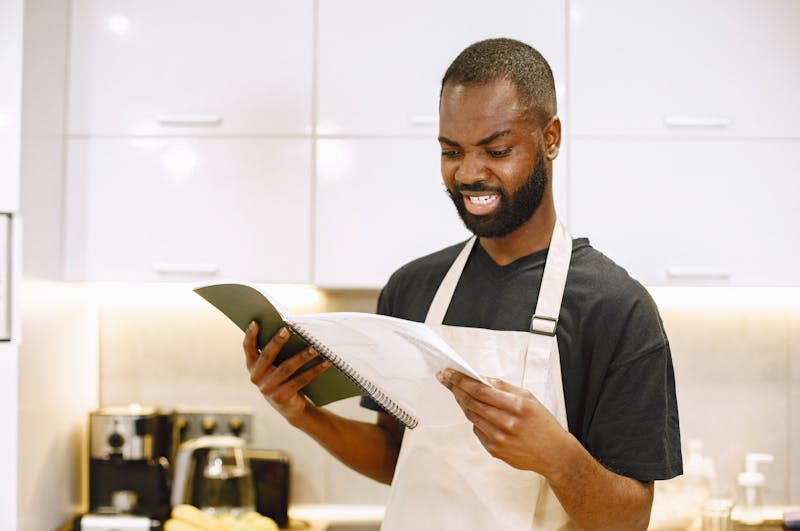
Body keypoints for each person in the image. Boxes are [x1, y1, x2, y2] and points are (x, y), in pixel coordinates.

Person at [243, 38, 681, 530]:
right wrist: (302, 413)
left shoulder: (617, 309)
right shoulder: (412, 288)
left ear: (551, 138)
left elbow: (629, 520)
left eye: (497, 150)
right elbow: (397, 453)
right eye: (452, 151)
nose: (469, 173)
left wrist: (556, 456)